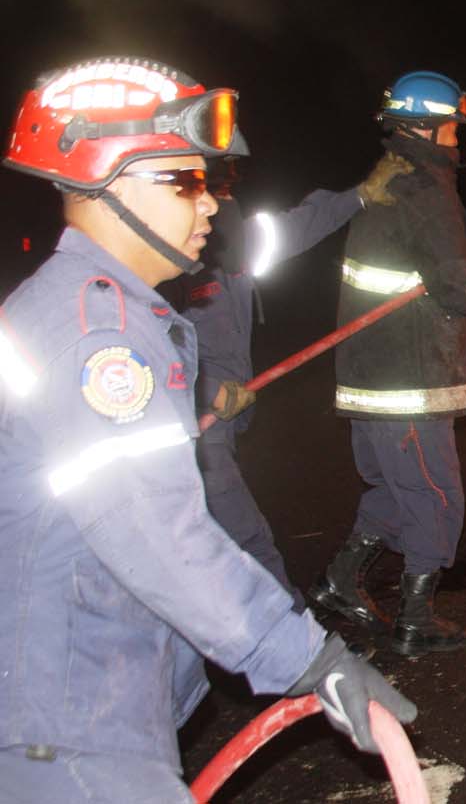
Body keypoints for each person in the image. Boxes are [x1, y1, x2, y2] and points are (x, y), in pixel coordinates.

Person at [0, 57, 414, 802]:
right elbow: (154, 532)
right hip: (65, 729)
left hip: (78, 703)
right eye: (185, 181)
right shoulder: (102, 337)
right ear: (112, 180)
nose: (210, 204)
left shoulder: (76, 308)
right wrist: (308, 660)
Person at [308, 70, 466, 655]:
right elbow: (457, 289)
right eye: (452, 126)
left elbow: (430, 263)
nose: (457, 138)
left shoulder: (394, 183)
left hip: (374, 377)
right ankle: (416, 618)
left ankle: (340, 581)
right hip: (408, 377)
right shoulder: (427, 189)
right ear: (431, 124)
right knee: (436, 495)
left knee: (394, 491)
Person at [164, 156, 407, 610]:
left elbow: (294, 228)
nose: (219, 208)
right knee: (245, 539)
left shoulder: (225, 240)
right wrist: (207, 387)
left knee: (208, 549)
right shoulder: (160, 260)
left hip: (217, 418)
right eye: (211, 193)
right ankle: (300, 656)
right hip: (184, 428)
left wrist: (358, 195)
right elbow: (141, 346)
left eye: (225, 191)